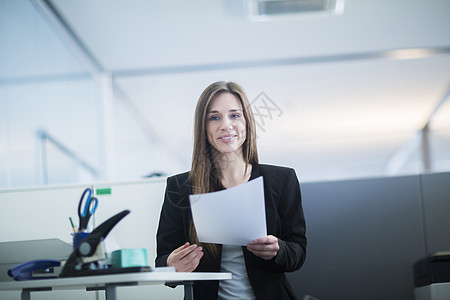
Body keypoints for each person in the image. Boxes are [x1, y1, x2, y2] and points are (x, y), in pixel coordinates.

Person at [155, 81, 307, 300]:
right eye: (214, 117)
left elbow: (298, 252)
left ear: (247, 122)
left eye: (234, 115)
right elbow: (162, 260)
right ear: (203, 127)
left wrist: (278, 249)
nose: (226, 125)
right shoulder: (180, 188)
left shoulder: (281, 180)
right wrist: (172, 265)